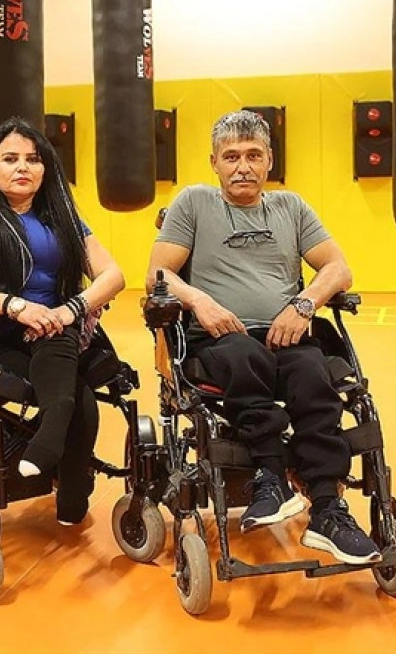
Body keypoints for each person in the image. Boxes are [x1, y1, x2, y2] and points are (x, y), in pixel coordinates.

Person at [145, 110, 381, 565]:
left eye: (253, 156)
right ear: (214, 162)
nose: (243, 167)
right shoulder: (193, 203)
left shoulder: (292, 208)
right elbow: (159, 274)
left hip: (285, 336)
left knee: (313, 372)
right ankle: (269, 477)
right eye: (231, 156)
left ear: (269, 160)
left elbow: (338, 268)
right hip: (220, 339)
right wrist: (200, 301)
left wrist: (305, 304)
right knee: (243, 357)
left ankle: (328, 509)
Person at [0, 116, 125, 526]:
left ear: (45, 168)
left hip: (50, 332)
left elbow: (113, 276)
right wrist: (15, 307)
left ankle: (54, 460)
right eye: (10, 158)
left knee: (59, 338)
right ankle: (68, 485)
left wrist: (71, 309)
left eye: (33, 159)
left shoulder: (62, 217)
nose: (23, 166)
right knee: (81, 401)